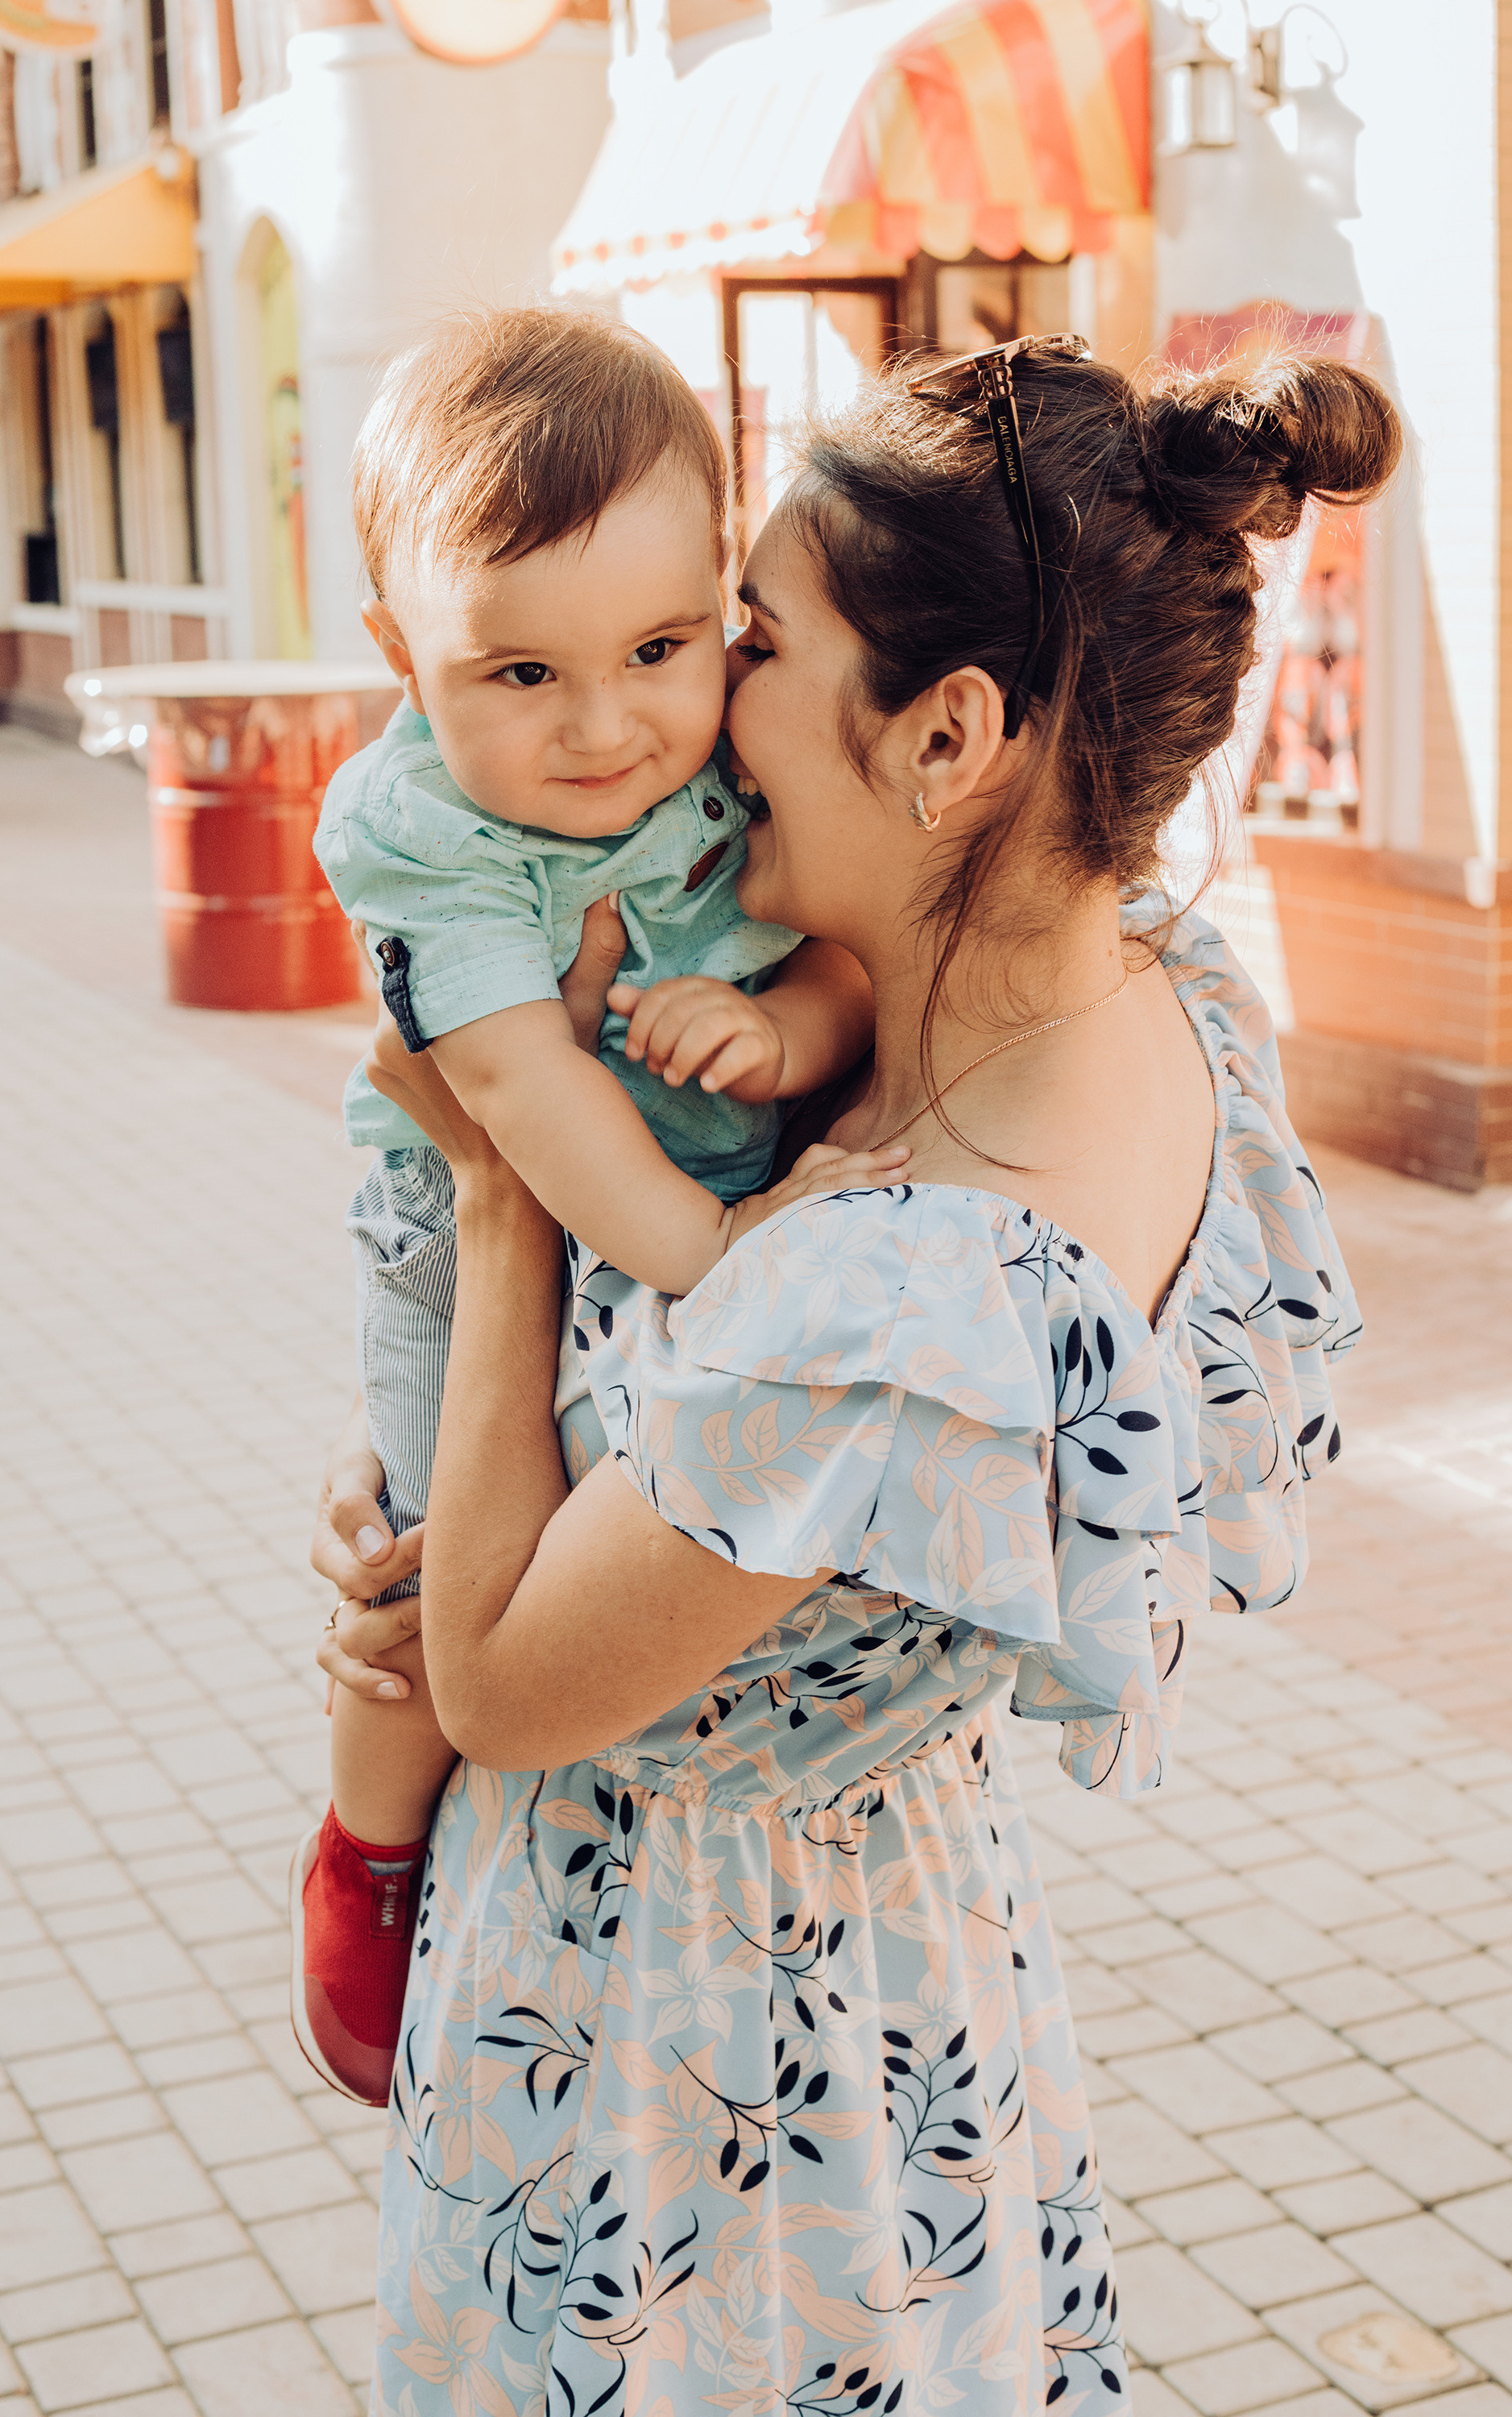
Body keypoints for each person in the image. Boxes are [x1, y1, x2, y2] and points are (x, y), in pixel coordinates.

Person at [313, 336, 1400, 2412]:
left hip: (677, 2083)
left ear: (948, 734)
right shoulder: (1166, 1011)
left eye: (746, 638)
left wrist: (492, 1208)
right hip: (914, 1999)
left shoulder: (877, 1295)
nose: (695, 708)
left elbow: (499, 1683)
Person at [296, 307, 884, 2106]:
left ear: (725, 604)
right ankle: (364, 1848)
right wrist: (725, 1270)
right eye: (518, 676)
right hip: (473, 1226)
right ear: (406, 660)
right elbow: (516, 1096)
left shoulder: (736, 738)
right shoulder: (424, 832)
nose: (605, 726)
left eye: (655, 645)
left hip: (691, 1209)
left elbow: (854, 968)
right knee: (414, 1570)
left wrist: (777, 1030)